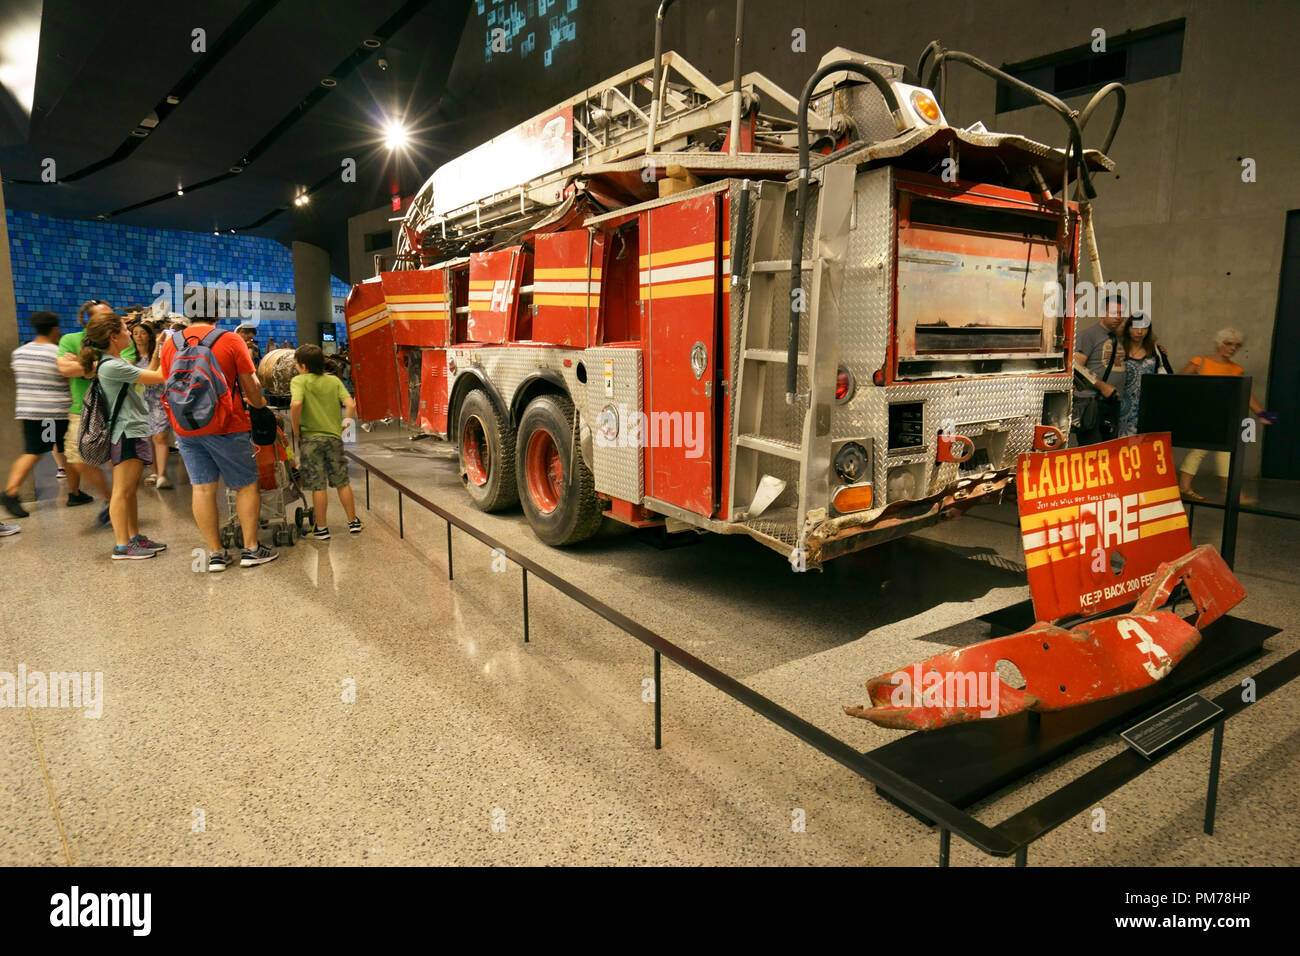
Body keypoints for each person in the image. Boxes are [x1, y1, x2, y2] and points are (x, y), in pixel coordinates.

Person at [160, 319, 278, 571]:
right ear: (218, 313)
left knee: (202, 489)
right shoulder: (230, 339)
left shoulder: (172, 343)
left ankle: (215, 554)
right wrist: (259, 406)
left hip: (186, 426)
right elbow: (250, 384)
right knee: (246, 486)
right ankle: (251, 550)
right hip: (227, 423)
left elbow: (168, 382)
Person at [79, 311, 167, 560]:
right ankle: (122, 545)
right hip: (126, 432)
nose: (130, 333)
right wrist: (173, 351)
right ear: (113, 336)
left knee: (129, 491)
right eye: (126, 329)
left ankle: (133, 536)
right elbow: (159, 377)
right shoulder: (113, 366)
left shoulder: (116, 363)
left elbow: (150, 372)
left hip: (132, 430)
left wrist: (159, 348)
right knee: (122, 491)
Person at [56, 299, 136, 524]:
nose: (113, 320)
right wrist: (101, 367)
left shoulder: (121, 337)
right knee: (77, 459)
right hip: (82, 409)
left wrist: (84, 366)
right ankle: (109, 499)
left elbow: (127, 367)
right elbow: (64, 368)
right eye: (104, 315)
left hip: (117, 409)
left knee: (121, 463)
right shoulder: (70, 339)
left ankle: (123, 510)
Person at [1177, 327, 1277, 503]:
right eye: (1228, 343)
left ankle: (1230, 492)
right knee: (1199, 450)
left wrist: (1262, 413)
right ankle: (1185, 487)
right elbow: (1177, 384)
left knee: (1226, 453)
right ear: (1219, 343)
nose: (1232, 348)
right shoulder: (1200, 362)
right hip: (1202, 416)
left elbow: (1246, 394)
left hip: (1224, 417)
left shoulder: (1236, 369)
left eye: (1237, 345)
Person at [1, 312, 75, 519]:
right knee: (41, 452)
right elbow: (67, 379)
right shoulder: (56, 353)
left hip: (29, 410)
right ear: (54, 329)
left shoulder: (20, 353)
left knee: (48, 450)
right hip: (51, 412)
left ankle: (75, 491)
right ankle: (11, 492)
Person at [290, 344, 362, 539]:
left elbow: (296, 404)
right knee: (342, 481)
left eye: (297, 364)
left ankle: (321, 528)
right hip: (333, 438)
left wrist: (296, 428)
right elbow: (350, 404)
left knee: (317, 484)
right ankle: (353, 521)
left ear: (304, 366)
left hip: (311, 439)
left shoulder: (299, 381)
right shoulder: (333, 381)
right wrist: (345, 426)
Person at [1071, 291, 1127, 446]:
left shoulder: (1118, 337)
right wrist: (1102, 386)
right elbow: (1076, 367)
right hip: (1092, 402)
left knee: (1110, 449)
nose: (1118, 317)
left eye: (1121, 313)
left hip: (1112, 402)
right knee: (1092, 450)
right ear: (1103, 312)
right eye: (1114, 312)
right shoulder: (1088, 335)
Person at [130, 322, 174, 489]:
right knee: (146, 438)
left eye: (142, 333)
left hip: (158, 400)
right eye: (135, 333)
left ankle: (162, 475)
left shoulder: (158, 355)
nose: (139, 336)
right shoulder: (130, 358)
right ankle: (154, 471)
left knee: (160, 437)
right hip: (140, 403)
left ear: (149, 335)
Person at [1116, 311, 1173, 437]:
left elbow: (1169, 377)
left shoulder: (1156, 351)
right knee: (1121, 448)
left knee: (1145, 447)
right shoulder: (1118, 349)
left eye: (1144, 328)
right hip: (1122, 408)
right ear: (1128, 329)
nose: (1140, 332)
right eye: (1135, 327)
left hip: (1148, 408)